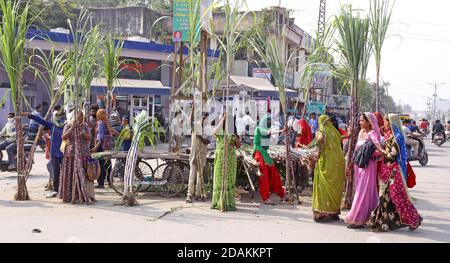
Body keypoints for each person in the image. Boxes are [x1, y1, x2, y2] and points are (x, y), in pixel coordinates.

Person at [368, 114, 422, 231]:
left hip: (393, 172)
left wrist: (381, 152)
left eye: (386, 122)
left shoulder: (396, 137)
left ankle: (415, 219)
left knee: (398, 197)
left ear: (391, 123)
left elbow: (393, 155)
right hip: (385, 171)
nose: (384, 124)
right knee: (384, 198)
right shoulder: (390, 135)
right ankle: (384, 223)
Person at [345, 112, 385, 229]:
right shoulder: (361, 133)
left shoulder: (372, 133)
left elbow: (376, 143)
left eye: (362, 121)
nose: (360, 122)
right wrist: (350, 165)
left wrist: (381, 151)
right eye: (360, 120)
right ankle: (368, 216)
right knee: (361, 191)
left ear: (369, 122)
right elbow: (356, 152)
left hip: (368, 167)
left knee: (362, 193)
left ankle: (358, 219)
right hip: (359, 166)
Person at [22, 111, 67, 198]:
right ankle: (55, 190)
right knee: (55, 172)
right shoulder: (52, 125)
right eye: (58, 116)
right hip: (54, 152)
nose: (60, 118)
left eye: (61, 116)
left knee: (65, 172)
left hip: (64, 152)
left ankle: (65, 190)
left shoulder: (67, 126)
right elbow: (41, 121)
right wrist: (30, 115)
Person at [312, 115, 346, 222]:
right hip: (338, 165)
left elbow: (319, 141)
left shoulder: (322, 132)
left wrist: (318, 137)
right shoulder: (335, 132)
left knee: (322, 188)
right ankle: (334, 213)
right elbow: (341, 139)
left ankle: (321, 213)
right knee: (335, 189)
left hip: (325, 164)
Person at [60, 110, 94, 204]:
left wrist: (81, 130)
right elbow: (63, 137)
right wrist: (72, 128)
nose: (82, 117)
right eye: (80, 116)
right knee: (71, 174)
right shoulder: (68, 125)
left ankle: (85, 195)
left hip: (83, 153)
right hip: (71, 154)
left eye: (82, 116)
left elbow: (89, 137)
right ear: (75, 117)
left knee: (84, 175)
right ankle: (70, 195)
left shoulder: (85, 126)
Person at [253, 114, 286, 205]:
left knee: (274, 174)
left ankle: (282, 194)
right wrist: (282, 130)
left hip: (265, 154)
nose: (268, 123)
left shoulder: (266, 132)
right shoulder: (259, 129)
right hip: (258, 154)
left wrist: (282, 132)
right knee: (264, 177)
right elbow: (268, 132)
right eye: (267, 121)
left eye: (269, 122)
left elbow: (266, 145)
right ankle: (265, 198)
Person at [211, 112, 241, 211]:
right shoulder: (219, 132)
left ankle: (227, 202)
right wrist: (223, 119)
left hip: (230, 159)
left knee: (229, 180)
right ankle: (218, 202)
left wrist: (236, 139)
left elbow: (238, 146)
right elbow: (214, 131)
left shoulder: (233, 132)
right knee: (219, 179)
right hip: (220, 158)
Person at [186, 113, 210, 203]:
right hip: (194, 155)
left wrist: (203, 138)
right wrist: (192, 108)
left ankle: (198, 194)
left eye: (205, 118)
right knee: (192, 175)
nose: (204, 120)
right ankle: (189, 194)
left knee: (200, 176)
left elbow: (207, 141)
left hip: (202, 154)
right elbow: (190, 120)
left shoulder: (208, 130)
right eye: (202, 118)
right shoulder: (195, 127)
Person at [92, 109, 116, 189]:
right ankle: (109, 181)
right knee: (108, 163)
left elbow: (101, 138)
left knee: (101, 165)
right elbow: (111, 131)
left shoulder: (101, 123)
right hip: (107, 146)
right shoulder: (106, 122)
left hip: (101, 146)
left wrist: (96, 147)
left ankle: (101, 183)